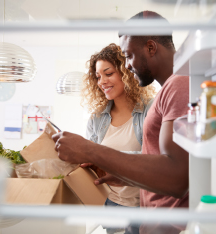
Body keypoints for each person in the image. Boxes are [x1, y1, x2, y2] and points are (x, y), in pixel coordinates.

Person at [52, 11, 189, 234]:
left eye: (128, 56)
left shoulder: (179, 85)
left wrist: (89, 150)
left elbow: (176, 178)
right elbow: (158, 162)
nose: (127, 65)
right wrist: (122, 173)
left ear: (151, 48)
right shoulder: (171, 88)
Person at [81, 43, 155, 234]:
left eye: (108, 73)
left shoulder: (149, 110)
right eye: (98, 76)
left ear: (126, 72)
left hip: (142, 208)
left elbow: (155, 159)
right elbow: (92, 164)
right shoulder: (96, 119)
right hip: (110, 205)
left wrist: (107, 158)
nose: (102, 81)